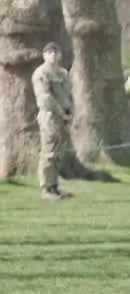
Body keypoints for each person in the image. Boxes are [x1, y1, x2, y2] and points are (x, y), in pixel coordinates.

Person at [32, 42, 73, 201]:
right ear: (44, 55)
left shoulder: (63, 73)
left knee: (59, 152)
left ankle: (54, 186)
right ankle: (46, 188)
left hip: (63, 117)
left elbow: (68, 95)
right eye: (49, 52)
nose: (53, 54)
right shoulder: (41, 73)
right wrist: (61, 112)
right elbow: (45, 98)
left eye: (56, 51)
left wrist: (70, 112)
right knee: (49, 151)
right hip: (49, 116)